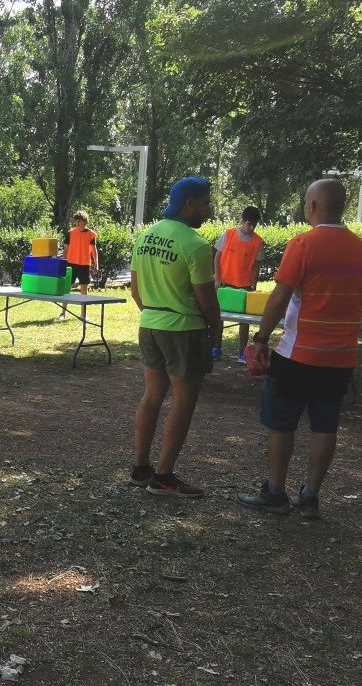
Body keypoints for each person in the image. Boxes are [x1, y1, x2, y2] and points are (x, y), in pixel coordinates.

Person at [237, 179, 362, 519]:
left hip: (299, 353)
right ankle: (311, 496)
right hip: (341, 356)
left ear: (313, 205)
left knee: (282, 424)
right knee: (325, 425)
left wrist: (260, 338)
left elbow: (280, 297)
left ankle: (275, 492)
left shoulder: (303, 244)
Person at [129, 176, 220, 498]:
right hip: (183, 330)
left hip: (150, 324)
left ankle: (141, 468)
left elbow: (135, 290)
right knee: (183, 402)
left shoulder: (145, 237)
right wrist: (216, 331)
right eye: (207, 202)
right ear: (190, 203)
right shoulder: (195, 245)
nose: (209, 209)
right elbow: (207, 299)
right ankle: (163, 476)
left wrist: (154, 312)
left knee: (152, 396)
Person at [213, 206, 265, 362]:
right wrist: (217, 277)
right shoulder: (228, 234)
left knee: (244, 320)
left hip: (244, 285)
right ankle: (216, 348)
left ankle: (242, 352)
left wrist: (253, 285)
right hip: (225, 282)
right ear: (242, 221)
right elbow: (217, 257)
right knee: (219, 317)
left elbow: (256, 265)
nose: (251, 227)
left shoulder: (258, 241)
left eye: (254, 225)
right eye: (249, 223)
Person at [59, 210, 99, 321]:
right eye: (76, 220)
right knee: (67, 289)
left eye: (79, 220)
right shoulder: (70, 233)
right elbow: (65, 249)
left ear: (85, 221)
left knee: (84, 290)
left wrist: (96, 264)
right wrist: (64, 263)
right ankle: (63, 313)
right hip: (71, 264)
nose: (77, 222)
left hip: (85, 265)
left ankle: (83, 315)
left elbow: (94, 250)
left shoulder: (91, 234)